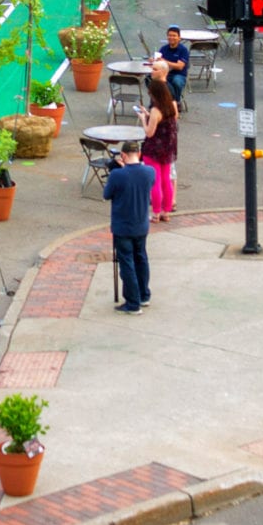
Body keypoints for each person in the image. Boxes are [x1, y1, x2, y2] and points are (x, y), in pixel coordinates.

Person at [102, 140, 155, 315]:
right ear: (139, 154)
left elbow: (107, 194)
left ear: (123, 155)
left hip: (122, 226)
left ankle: (132, 303)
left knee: (127, 263)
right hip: (141, 225)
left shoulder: (118, 175)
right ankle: (143, 295)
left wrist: (118, 169)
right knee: (141, 259)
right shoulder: (149, 172)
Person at [140, 77, 179, 223]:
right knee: (166, 180)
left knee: (155, 181)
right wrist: (149, 115)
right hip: (167, 149)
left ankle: (156, 213)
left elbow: (149, 132)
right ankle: (166, 212)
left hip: (154, 149)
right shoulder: (170, 106)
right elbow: (164, 123)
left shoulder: (156, 110)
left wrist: (144, 119)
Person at [156, 26, 190, 104]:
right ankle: (158, 101)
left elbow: (179, 66)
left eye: (174, 36)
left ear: (179, 38)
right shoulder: (163, 49)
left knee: (176, 81)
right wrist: (154, 61)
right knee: (150, 79)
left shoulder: (183, 50)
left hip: (179, 74)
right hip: (165, 73)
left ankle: (176, 101)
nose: (171, 37)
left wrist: (165, 61)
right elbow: (158, 62)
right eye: (169, 35)